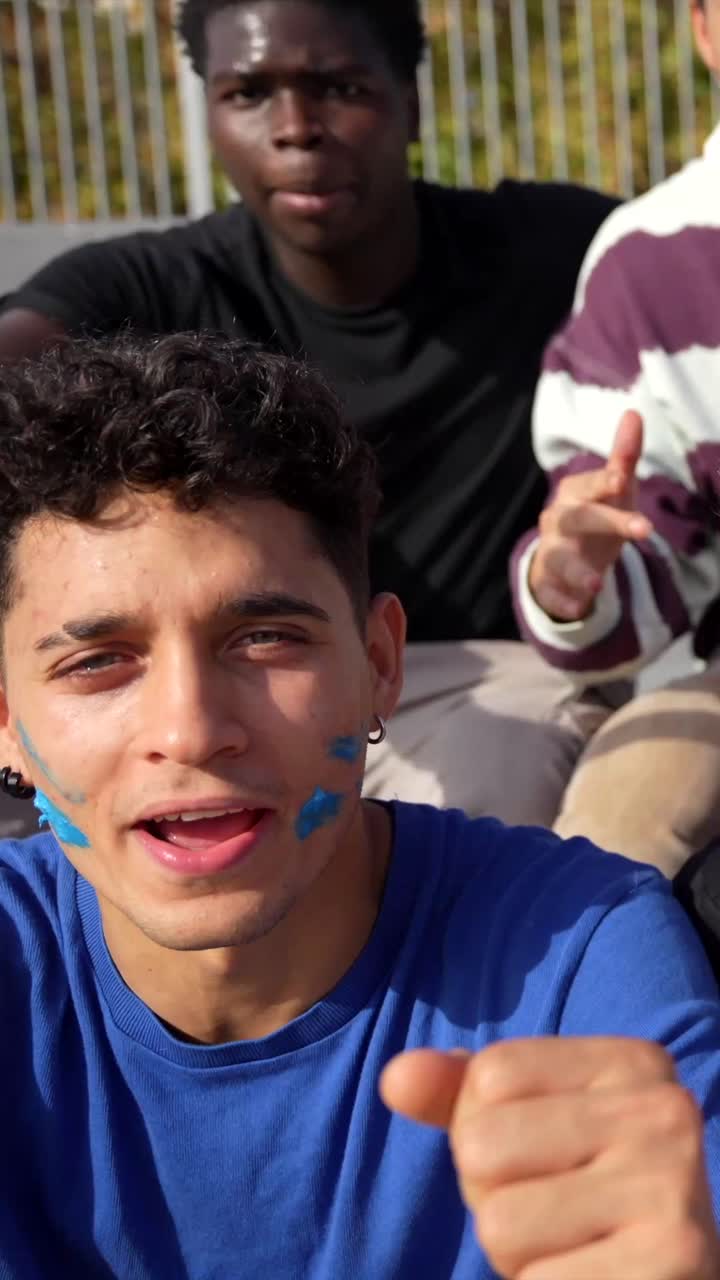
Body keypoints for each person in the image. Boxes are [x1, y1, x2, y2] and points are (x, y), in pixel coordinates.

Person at [1, 330, 720, 1279]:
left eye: (263, 638)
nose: (190, 728)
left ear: (381, 666)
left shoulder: (581, 959)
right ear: (7, 725)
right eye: (98, 662)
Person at [0, 0, 621, 842]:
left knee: (490, 794)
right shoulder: (145, 290)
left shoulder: (560, 249)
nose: (296, 127)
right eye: (249, 92)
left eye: (339, 86)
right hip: (226, 674)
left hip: (486, 687)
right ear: (211, 109)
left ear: (409, 98)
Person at [512, 0, 720, 878]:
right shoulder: (651, 258)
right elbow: (636, 551)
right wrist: (573, 581)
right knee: (604, 856)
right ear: (706, 29)